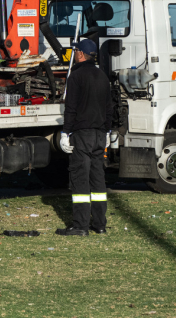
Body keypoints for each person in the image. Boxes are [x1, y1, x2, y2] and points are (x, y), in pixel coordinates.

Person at [56, 38, 113, 236]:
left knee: (80, 179)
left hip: (82, 134)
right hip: (99, 135)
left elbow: (70, 108)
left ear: (80, 54)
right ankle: (100, 224)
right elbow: (109, 108)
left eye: (75, 51)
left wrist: (65, 133)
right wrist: (107, 131)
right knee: (98, 180)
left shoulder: (76, 77)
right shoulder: (102, 76)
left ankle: (80, 226)